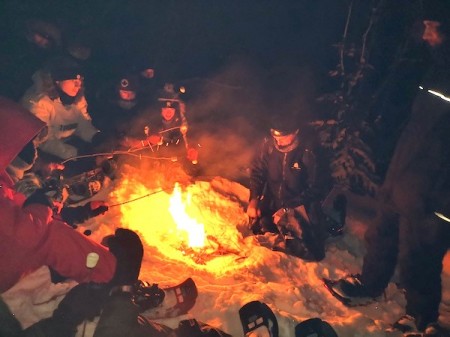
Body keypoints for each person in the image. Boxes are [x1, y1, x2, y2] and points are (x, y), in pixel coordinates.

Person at [329, 1, 450, 334]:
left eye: (432, 27)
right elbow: (412, 124)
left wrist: (443, 203)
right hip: (404, 172)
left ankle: (421, 315)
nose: (425, 34)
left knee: (420, 253)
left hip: (435, 191)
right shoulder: (433, 70)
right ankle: (370, 284)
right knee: (382, 232)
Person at [246, 114, 329, 261]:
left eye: (283, 137)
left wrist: (288, 208)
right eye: (275, 136)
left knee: (311, 252)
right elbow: (258, 172)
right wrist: (254, 198)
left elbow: (317, 187)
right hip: (275, 203)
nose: (279, 141)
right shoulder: (269, 146)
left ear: (295, 132)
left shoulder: (308, 151)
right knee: (260, 228)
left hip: (300, 206)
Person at [21, 55, 100, 164]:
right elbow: (44, 141)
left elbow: (83, 123)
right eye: (73, 80)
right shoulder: (38, 102)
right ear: (57, 80)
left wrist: (97, 138)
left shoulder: (76, 97)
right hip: (39, 157)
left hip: (67, 149)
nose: (78, 85)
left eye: (80, 81)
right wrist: (78, 154)